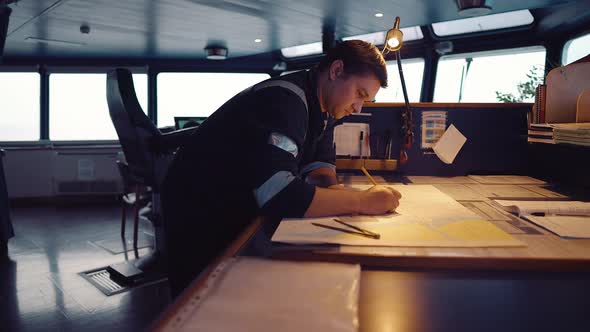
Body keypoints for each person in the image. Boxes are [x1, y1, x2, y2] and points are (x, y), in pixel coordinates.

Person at [162, 40, 401, 296]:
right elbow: (278, 194)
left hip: (236, 206)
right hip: (200, 211)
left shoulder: (325, 108)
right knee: (198, 306)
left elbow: (319, 168)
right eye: (360, 94)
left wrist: (338, 194)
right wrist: (362, 202)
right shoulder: (285, 101)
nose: (358, 107)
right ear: (336, 70)